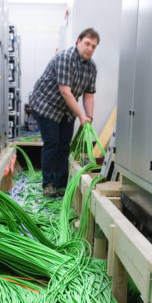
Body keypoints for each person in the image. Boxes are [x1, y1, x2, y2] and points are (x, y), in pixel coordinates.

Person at [30, 28, 99, 196]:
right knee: (52, 143)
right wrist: (81, 115)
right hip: (46, 105)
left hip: (66, 110)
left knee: (64, 147)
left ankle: (61, 186)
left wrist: (89, 116)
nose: (89, 48)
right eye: (87, 44)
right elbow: (65, 92)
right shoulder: (65, 58)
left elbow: (88, 95)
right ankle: (48, 184)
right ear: (78, 41)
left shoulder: (91, 68)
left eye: (94, 46)